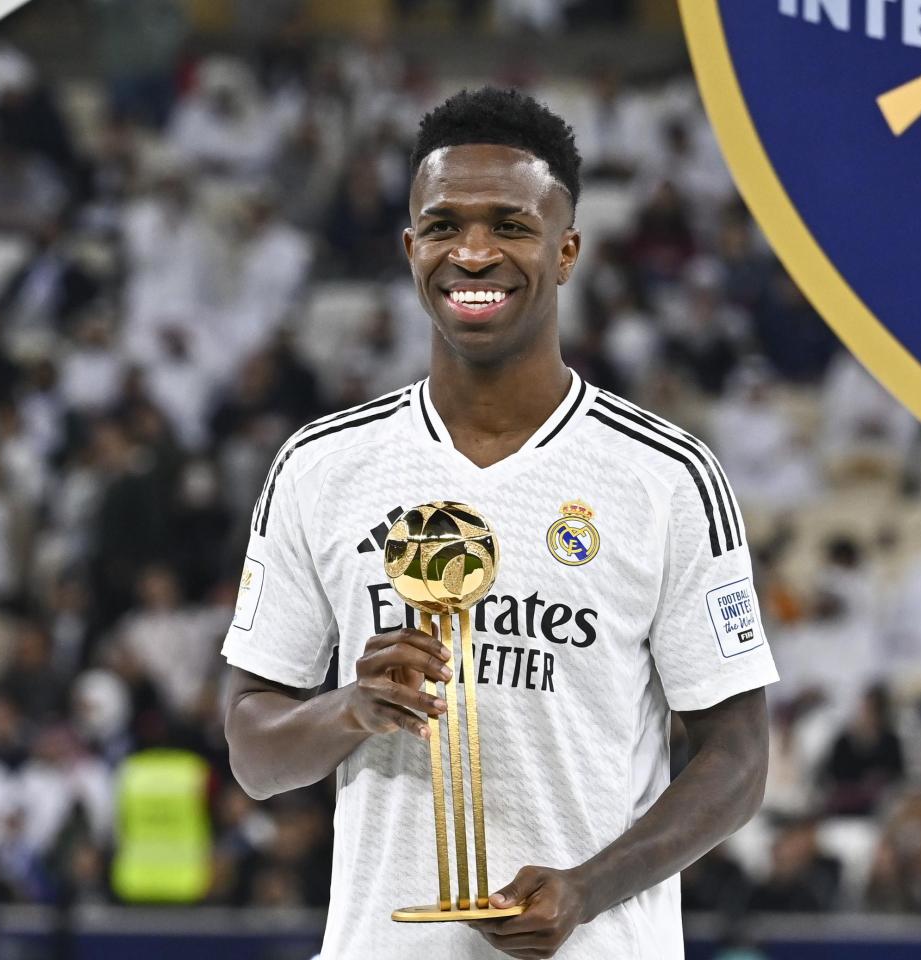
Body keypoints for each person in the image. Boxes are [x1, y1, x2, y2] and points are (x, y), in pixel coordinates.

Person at [220, 88, 776, 959]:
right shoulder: (321, 465)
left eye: (510, 226)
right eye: (443, 226)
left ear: (566, 250)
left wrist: (588, 889)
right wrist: (351, 710)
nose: (473, 253)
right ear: (411, 248)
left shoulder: (667, 476)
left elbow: (738, 761)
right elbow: (254, 753)